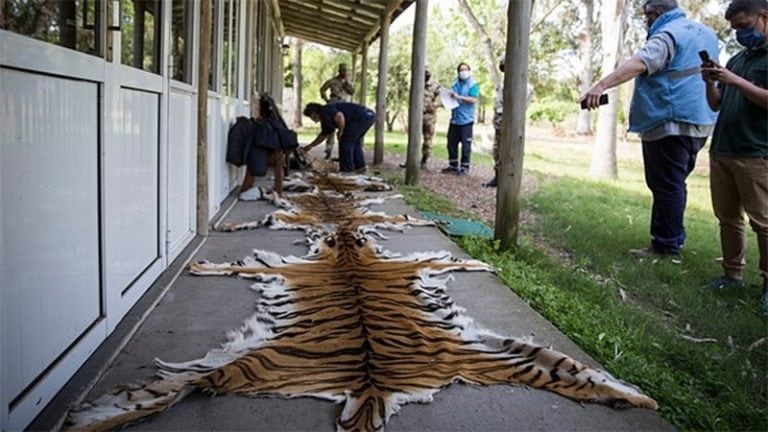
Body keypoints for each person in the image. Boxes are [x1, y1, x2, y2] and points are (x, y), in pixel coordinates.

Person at [579, 0, 719, 258]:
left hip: (669, 119)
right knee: (675, 183)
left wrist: (601, 86)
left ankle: (666, 245)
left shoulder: (668, 34)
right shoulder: (706, 33)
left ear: (656, 13)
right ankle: (673, 237)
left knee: (665, 185)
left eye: (647, 17)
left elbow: (640, 63)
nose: (646, 23)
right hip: (700, 120)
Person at [700, 0, 768, 311]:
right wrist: (711, 82)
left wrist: (735, 81)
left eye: (743, 26)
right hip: (723, 149)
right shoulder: (739, 59)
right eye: (734, 29)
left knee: (763, 223)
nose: (739, 34)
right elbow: (716, 104)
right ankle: (732, 274)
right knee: (727, 218)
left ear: (764, 17)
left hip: (755, 152)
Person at [483, 57, 533, 188]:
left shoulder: (523, 85)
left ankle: (509, 180)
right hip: (499, 121)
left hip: (510, 121)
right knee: (497, 150)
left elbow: (522, 104)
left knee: (510, 151)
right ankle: (498, 176)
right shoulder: (502, 82)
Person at [301, 102, 375, 173]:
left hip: (361, 117)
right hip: (368, 115)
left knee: (346, 141)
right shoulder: (325, 118)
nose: (313, 120)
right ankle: (360, 166)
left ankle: (346, 170)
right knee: (354, 142)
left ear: (314, 113)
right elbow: (323, 135)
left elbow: (340, 116)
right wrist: (310, 146)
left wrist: (341, 131)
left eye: (311, 117)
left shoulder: (325, 111)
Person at [441, 62, 479, 177]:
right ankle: (453, 165)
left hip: (466, 120)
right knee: (451, 143)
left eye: (466, 69)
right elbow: (451, 96)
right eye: (461, 70)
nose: (464, 72)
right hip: (455, 119)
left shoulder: (473, 84)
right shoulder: (455, 84)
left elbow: (474, 100)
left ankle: (464, 167)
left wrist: (459, 97)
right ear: (458, 72)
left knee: (466, 145)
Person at [401, 68, 443, 170]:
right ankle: (411, 160)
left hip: (429, 117)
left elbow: (443, 100)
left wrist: (434, 106)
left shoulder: (436, 86)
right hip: (416, 115)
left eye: (427, 73)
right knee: (413, 138)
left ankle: (424, 160)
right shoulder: (415, 84)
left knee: (427, 140)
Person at [319, 63, 355, 160]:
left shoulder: (348, 82)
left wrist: (347, 84)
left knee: (343, 129)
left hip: (344, 104)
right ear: (339, 71)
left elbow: (352, 92)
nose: (344, 72)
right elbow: (322, 89)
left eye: (345, 70)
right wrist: (326, 99)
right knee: (330, 128)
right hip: (334, 102)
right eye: (342, 70)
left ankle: (342, 153)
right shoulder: (332, 81)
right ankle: (328, 150)